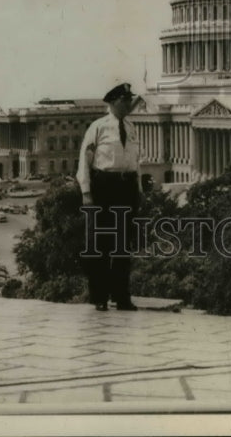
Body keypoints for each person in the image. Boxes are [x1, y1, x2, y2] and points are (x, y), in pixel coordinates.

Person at [77, 82, 143, 312]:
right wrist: (86, 192)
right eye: (125, 100)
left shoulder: (132, 126)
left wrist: (139, 190)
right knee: (102, 244)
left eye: (129, 99)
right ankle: (100, 297)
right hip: (104, 186)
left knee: (123, 246)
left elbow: (136, 161)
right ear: (113, 102)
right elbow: (84, 161)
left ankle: (122, 296)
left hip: (126, 188)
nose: (128, 104)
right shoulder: (98, 127)